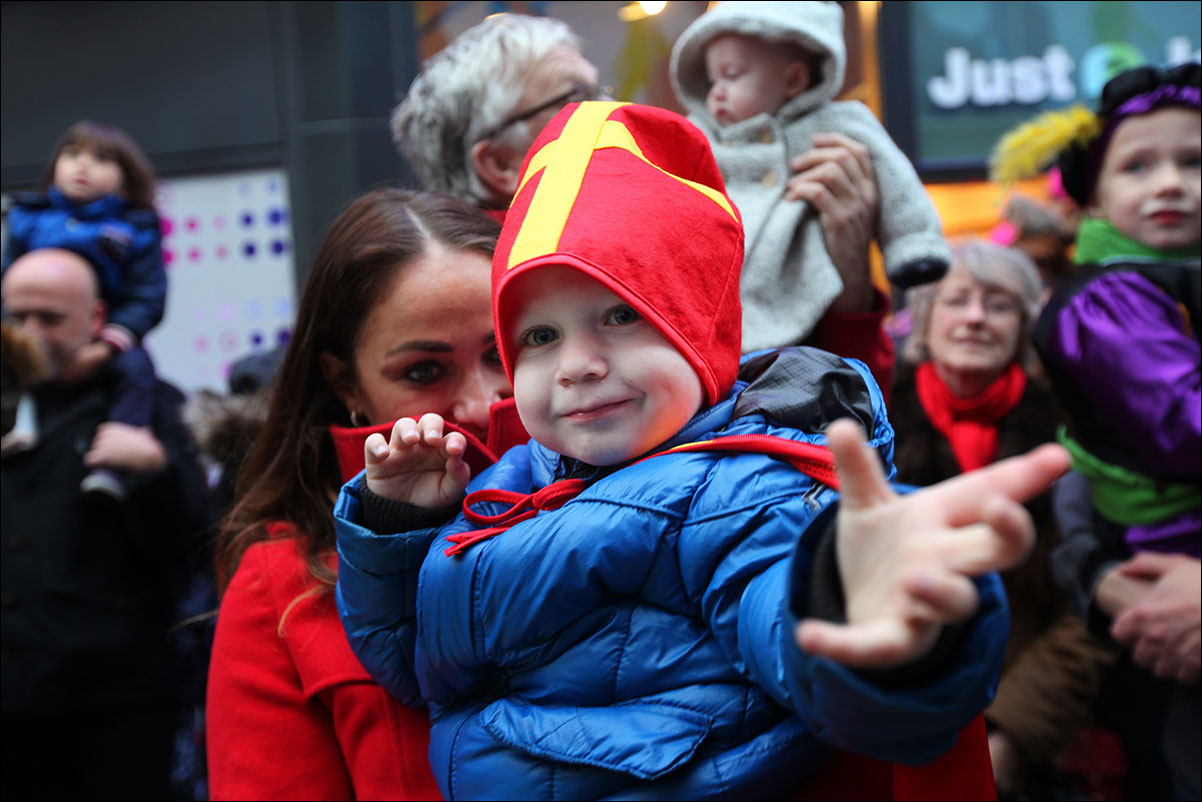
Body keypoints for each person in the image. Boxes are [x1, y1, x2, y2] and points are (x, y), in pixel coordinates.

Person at [333, 101, 1070, 800]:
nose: (576, 365)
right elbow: (415, 664)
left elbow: (787, 630)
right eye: (539, 336)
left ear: (697, 331)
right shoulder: (510, 486)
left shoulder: (744, 489)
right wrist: (396, 526)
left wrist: (858, 603)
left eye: (622, 315)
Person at [205, 188, 528, 800]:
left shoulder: (637, 490)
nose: (480, 402)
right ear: (342, 379)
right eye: (424, 372)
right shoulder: (280, 584)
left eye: (503, 352)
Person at [390, 11, 897, 395]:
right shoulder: (466, 291)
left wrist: (847, 275)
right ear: (501, 164)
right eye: (579, 99)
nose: (612, 110)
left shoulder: (628, 238)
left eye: (603, 90)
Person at [992, 61, 1200, 798]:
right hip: (1166, 551)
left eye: (1193, 161)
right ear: (1096, 198)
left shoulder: (1173, 277)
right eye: (1139, 165)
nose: (1170, 182)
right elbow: (1184, 424)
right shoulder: (1107, 298)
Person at [890, 238, 1115, 798]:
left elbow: (1090, 605)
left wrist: (1011, 734)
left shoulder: (1075, 434)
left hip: (1027, 727)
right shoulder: (874, 423)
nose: (973, 318)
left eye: (997, 304)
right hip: (894, 719)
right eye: (955, 300)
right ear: (923, 319)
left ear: (1024, 324)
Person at [1, 248, 208, 801]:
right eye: (16, 316)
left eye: (49, 317)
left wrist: (153, 473)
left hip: (117, 702)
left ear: (95, 320)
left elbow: (194, 542)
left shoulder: (146, 406)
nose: (29, 332)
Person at [668, 0, 950, 354]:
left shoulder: (839, 124)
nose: (717, 93)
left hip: (806, 294)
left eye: (733, 74)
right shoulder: (699, 135)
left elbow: (898, 185)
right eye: (711, 81)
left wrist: (913, 243)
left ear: (794, 80)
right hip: (710, 313)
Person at [2, 120, 166, 502]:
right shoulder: (27, 217)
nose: (83, 166)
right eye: (72, 154)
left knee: (137, 373)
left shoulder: (135, 229)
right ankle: (13, 425)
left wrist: (108, 344)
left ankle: (115, 461)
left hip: (108, 333)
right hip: (21, 341)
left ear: (125, 181)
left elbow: (148, 296)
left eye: (101, 159)